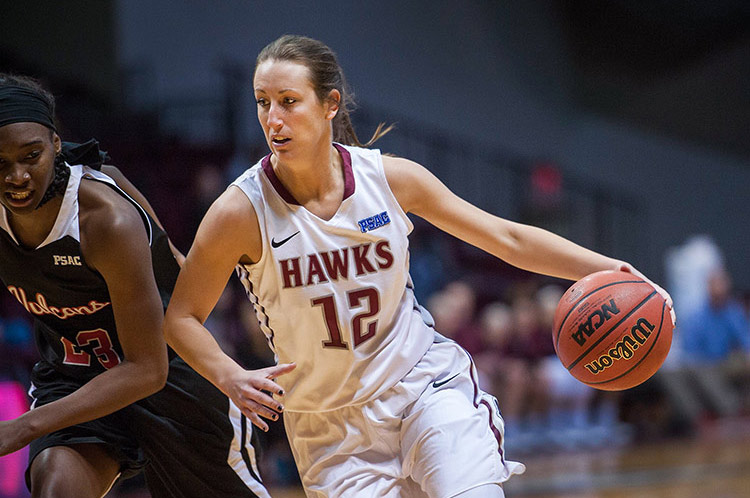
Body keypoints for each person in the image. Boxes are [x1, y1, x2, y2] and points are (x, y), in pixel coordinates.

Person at [163, 35, 675, 498]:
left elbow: (507, 237)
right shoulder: (239, 210)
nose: (273, 119)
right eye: (263, 103)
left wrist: (611, 267)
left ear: (329, 104)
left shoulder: (390, 179)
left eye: (289, 102)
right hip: (329, 429)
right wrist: (230, 375)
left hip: (422, 387)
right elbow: (180, 317)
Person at [0, 73, 291, 497]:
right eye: (1, 163)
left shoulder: (105, 219)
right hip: (77, 380)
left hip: (169, 378)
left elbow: (148, 369)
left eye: (31, 156)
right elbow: (174, 255)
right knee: (57, 487)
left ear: (56, 144)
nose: (18, 176)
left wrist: (22, 427)